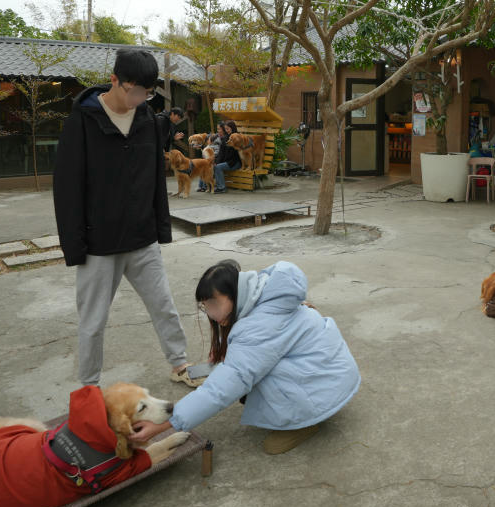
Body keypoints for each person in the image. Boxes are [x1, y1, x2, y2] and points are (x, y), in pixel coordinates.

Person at [53, 48, 201, 388]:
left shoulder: (147, 120)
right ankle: (89, 387)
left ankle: (179, 364)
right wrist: (74, 247)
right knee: (93, 321)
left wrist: (160, 228)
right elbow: (67, 188)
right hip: (98, 244)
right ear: (115, 80)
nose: (138, 99)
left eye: (146, 94)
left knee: (164, 305)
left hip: (141, 237)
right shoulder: (84, 120)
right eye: (133, 91)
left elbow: (154, 180)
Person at [129, 260, 361, 455]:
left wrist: (163, 424)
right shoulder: (267, 296)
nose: (210, 313)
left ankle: (304, 424)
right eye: (205, 306)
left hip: (323, 393)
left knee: (245, 378)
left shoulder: (259, 327)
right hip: (332, 378)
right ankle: (307, 408)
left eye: (213, 304)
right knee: (249, 371)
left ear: (234, 294)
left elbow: (222, 388)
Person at [211, 120, 242, 194]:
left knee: (218, 167)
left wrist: (220, 163)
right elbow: (221, 153)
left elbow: (235, 155)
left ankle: (221, 187)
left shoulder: (237, 137)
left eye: (228, 128)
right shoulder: (225, 138)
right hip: (227, 162)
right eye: (225, 129)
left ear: (232, 128)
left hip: (234, 163)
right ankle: (207, 186)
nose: (226, 130)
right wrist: (216, 161)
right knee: (213, 165)